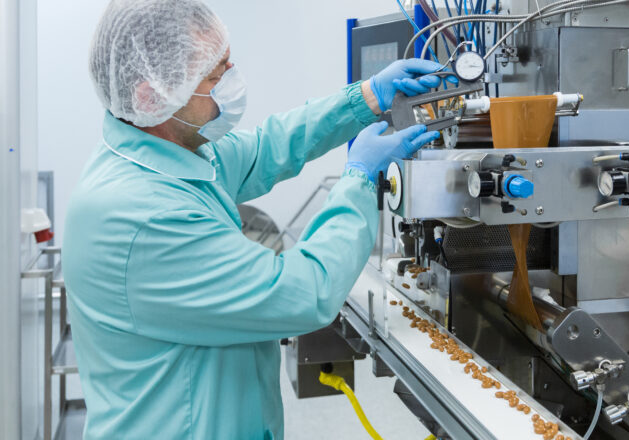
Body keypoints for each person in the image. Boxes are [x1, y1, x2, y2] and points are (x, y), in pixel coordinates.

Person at [63, 0, 453, 438]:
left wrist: (364, 99)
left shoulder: (166, 154)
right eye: (214, 77)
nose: (231, 83)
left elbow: (268, 146)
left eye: (228, 64)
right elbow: (304, 292)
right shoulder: (143, 216)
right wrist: (359, 178)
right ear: (152, 95)